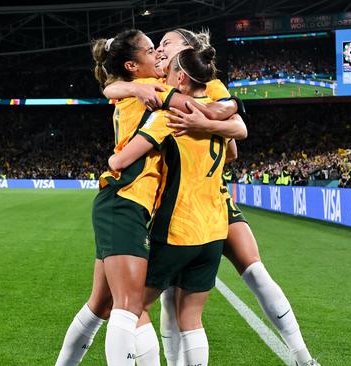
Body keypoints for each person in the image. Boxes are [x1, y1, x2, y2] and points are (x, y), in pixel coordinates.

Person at [105, 28, 320, 366]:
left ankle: (300, 354)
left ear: (187, 53)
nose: (159, 49)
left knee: (245, 276)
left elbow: (238, 133)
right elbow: (111, 87)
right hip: (196, 213)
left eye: (166, 44)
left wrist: (202, 122)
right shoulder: (160, 83)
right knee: (178, 305)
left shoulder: (201, 88)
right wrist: (133, 86)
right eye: (156, 46)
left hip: (199, 205)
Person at [55, 29, 246, 366]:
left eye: (160, 48)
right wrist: (221, 113)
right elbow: (216, 116)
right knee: (127, 306)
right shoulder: (159, 92)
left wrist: (130, 87)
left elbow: (110, 87)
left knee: (100, 304)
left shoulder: (139, 89)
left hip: (131, 204)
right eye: (149, 50)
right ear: (132, 64)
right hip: (125, 200)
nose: (157, 53)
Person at [109, 47, 238, 366]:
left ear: (181, 77)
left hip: (178, 227)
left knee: (134, 307)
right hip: (214, 229)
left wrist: (114, 159)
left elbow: (123, 159)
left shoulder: (171, 114)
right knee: (191, 318)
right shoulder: (217, 112)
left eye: (169, 73)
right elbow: (233, 151)